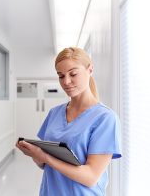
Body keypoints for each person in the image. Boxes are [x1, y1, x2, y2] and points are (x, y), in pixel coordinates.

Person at [16, 47, 121, 196]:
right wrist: (36, 155)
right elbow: (44, 165)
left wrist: (46, 157)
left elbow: (91, 177)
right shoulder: (54, 113)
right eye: (61, 76)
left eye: (73, 74)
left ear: (90, 70)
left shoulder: (105, 118)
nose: (66, 81)